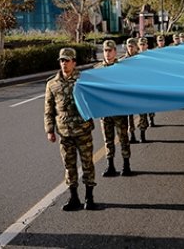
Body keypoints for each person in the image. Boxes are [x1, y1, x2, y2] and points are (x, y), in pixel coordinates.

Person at [44, 48, 97, 211]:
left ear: (74, 62)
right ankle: (74, 197)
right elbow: (49, 108)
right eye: (61, 60)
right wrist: (49, 130)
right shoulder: (52, 84)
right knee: (69, 165)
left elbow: (94, 100)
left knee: (87, 163)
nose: (64, 63)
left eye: (67, 60)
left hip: (83, 130)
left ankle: (89, 197)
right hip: (64, 132)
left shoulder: (84, 80)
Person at [94, 40, 132, 177]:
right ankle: (110, 165)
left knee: (123, 138)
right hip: (105, 112)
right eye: (105, 51)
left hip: (119, 111)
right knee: (107, 140)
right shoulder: (97, 70)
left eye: (110, 51)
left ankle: (126, 165)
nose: (108, 53)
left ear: (115, 52)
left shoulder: (122, 68)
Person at [121, 38, 141, 143]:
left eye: (132, 46)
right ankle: (132, 134)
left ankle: (142, 131)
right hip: (128, 91)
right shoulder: (123, 61)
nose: (130, 48)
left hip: (139, 90)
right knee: (129, 115)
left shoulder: (140, 59)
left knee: (142, 112)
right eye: (129, 46)